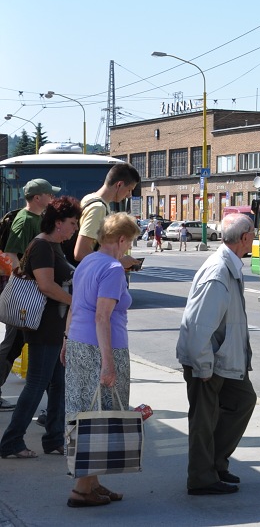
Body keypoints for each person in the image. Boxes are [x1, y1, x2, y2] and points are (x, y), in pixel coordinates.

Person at [63, 212, 140, 507]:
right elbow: (102, 316)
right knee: (100, 417)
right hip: (103, 348)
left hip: (80, 344)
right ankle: (81, 490)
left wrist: (67, 339)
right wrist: (108, 363)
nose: (129, 248)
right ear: (121, 239)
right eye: (129, 241)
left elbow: (75, 305)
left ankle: (92, 482)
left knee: (85, 412)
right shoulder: (112, 268)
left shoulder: (87, 262)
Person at [176, 213, 257, 496]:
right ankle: (201, 477)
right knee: (203, 420)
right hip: (209, 360)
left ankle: (215, 463)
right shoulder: (219, 272)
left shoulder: (228, 264)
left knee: (243, 399)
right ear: (245, 238)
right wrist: (203, 365)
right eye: (253, 234)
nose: (254, 239)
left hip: (221, 357)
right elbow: (199, 326)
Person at [0, 197, 78, 459]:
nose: (75, 228)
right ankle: (11, 441)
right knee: (36, 385)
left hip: (53, 327)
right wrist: (76, 302)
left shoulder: (53, 245)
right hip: (43, 326)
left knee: (58, 385)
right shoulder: (43, 246)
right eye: (72, 222)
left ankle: (54, 439)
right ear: (58, 223)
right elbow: (45, 285)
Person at [0, 178, 60, 411]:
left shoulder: (38, 219)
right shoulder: (25, 220)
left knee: (20, 344)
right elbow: (12, 253)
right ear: (37, 198)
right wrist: (28, 281)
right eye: (49, 194)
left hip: (34, 291)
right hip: (27, 293)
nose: (52, 198)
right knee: (13, 344)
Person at [73, 163, 140, 268]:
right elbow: (81, 252)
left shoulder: (90, 198)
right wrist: (118, 261)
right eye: (129, 189)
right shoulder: (98, 208)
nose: (129, 195)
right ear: (119, 185)